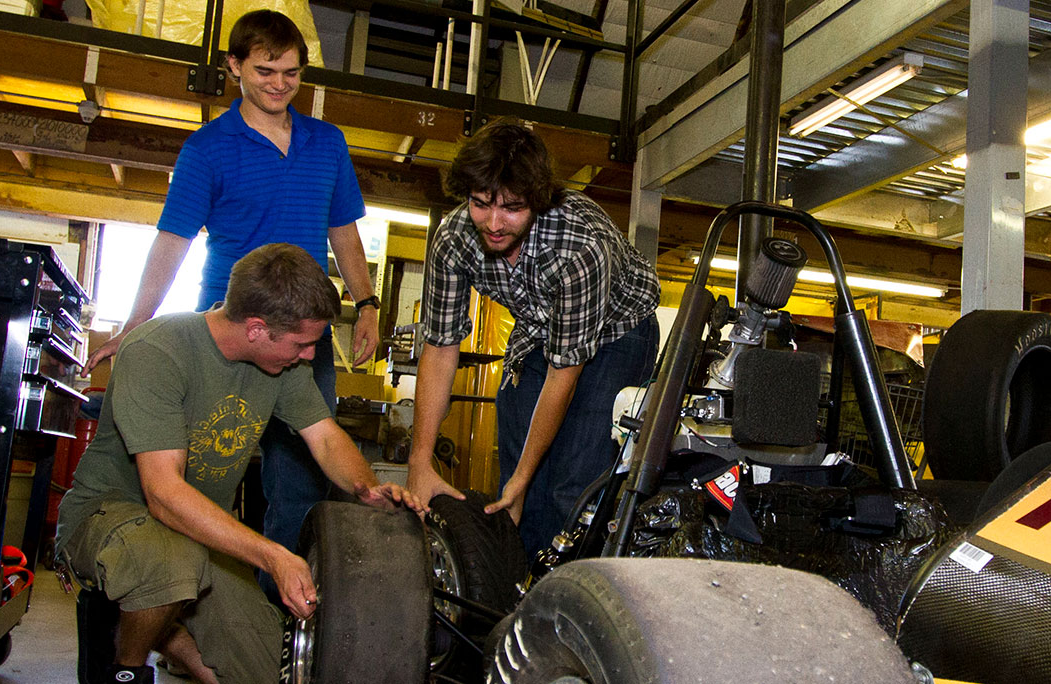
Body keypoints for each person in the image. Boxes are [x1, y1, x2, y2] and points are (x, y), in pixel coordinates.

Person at [85, 9, 381, 565]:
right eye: (266, 70)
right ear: (234, 67)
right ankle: (181, 596)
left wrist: (366, 303)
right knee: (198, 474)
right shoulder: (207, 149)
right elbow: (171, 242)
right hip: (226, 333)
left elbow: (343, 228)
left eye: (291, 73)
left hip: (298, 337)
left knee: (300, 483)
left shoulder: (328, 143)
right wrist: (135, 326)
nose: (279, 84)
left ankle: (282, 617)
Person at [56, 244, 423, 684]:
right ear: (256, 329)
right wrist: (272, 556)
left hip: (200, 536)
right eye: (302, 344)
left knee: (270, 672)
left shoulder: (280, 368)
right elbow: (163, 495)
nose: (309, 355)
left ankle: (166, 631)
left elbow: (325, 438)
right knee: (170, 565)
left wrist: (369, 491)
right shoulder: (158, 349)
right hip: (111, 515)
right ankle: (126, 670)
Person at [406, 119, 659, 559]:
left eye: (512, 208)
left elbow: (565, 374)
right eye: (481, 204)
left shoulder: (579, 248)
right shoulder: (453, 238)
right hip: (538, 328)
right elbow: (441, 347)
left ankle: (569, 597)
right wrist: (420, 459)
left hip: (620, 331)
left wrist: (526, 476)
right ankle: (520, 590)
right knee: (516, 488)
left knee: (572, 485)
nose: (494, 223)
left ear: (537, 202)